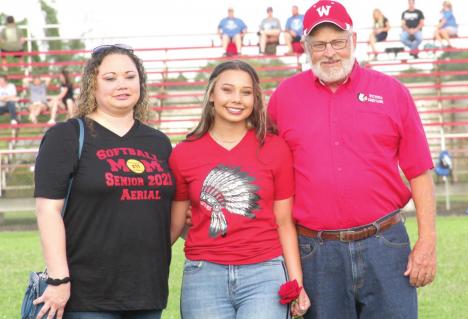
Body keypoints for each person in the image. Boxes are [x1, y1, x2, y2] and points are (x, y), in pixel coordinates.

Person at [268, 1, 436, 318]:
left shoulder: (392, 92)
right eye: (319, 44)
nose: (329, 52)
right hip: (316, 252)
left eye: (337, 41)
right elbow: (266, 171)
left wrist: (427, 242)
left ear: (353, 41)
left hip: (385, 244)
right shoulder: (283, 98)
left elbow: (419, 172)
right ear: (305, 47)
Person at [33, 44, 174, 319]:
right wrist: (59, 279)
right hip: (87, 293)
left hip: (146, 290)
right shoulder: (67, 136)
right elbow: (47, 211)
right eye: (110, 78)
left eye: (130, 76)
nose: (122, 85)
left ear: (141, 83)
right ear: (92, 85)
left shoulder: (159, 143)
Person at [169, 60, 310, 319]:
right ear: (211, 94)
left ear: (255, 99)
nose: (237, 99)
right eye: (227, 90)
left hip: (264, 274)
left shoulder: (275, 148)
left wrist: (296, 281)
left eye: (246, 92)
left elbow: (284, 222)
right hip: (204, 274)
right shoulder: (183, 153)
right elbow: (175, 226)